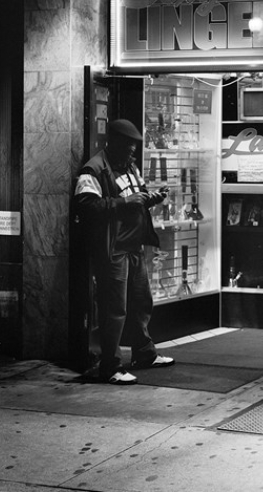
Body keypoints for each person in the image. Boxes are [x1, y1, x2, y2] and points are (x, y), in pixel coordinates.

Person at [73, 118, 175, 384]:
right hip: (113, 249)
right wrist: (124, 202)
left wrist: (152, 198)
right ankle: (111, 366)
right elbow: (86, 206)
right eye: (128, 144)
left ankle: (144, 353)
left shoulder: (129, 165)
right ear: (115, 142)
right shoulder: (93, 169)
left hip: (133, 246)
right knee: (114, 308)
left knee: (141, 302)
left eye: (134, 145)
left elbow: (137, 195)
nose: (133, 149)